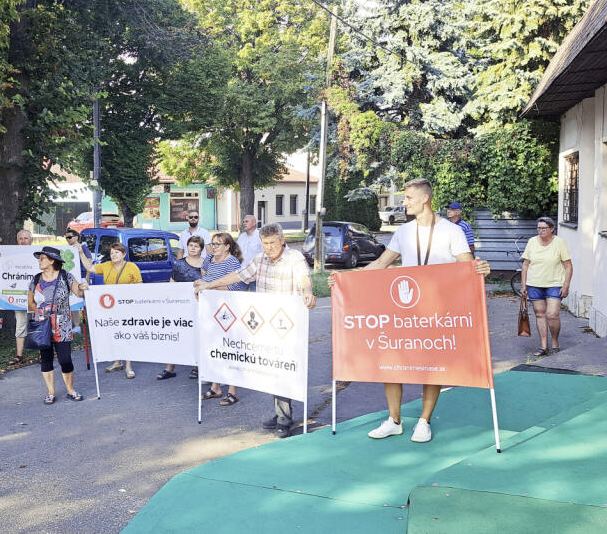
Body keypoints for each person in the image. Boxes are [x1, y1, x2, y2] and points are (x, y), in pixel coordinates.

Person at [327, 178, 491, 443]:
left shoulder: (451, 231)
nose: (404, 202)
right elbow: (381, 262)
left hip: (438, 309)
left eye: (408, 198)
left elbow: (467, 267)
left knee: (432, 366)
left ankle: (424, 421)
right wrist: (348, 279)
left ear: (425, 198)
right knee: (392, 361)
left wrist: (481, 269)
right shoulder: (404, 232)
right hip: (404, 309)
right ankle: (394, 420)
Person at [195, 223, 315, 438]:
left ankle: (284, 420)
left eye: (272, 243)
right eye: (265, 243)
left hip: (288, 326)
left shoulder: (294, 258)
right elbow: (238, 276)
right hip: (265, 325)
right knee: (272, 370)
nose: (269, 247)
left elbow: (305, 277)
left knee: (283, 370)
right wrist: (208, 286)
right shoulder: (260, 259)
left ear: (282, 241)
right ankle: (280, 414)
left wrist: (307, 291)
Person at [27, 247, 89, 404]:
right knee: (46, 359)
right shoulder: (35, 279)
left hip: (62, 325)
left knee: (65, 359)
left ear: (52, 260)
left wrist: (83, 287)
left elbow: (79, 293)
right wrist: (41, 316)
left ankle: (70, 390)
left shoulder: (65, 276)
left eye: (42, 258)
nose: (39, 261)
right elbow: (30, 303)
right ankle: (51, 392)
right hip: (43, 325)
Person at [78, 241, 143, 378]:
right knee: (114, 333)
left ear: (124, 254)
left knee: (126, 335)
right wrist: (81, 253)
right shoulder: (106, 266)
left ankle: (129, 366)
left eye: (117, 252)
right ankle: (117, 362)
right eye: (112, 253)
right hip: (111, 306)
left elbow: (140, 286)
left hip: (127, 306)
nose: (113, 255)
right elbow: (89, 267)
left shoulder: (132, 267)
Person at [198, 232, 248, 405]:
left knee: (229, 349)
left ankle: (233, 390)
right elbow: (204, 275)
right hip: (210, 310)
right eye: (213, 243)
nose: (214, 247)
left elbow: (237, 286)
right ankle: (216, 386)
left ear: (227, 246)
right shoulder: (210, 258)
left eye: (218, 244)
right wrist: (201, 284)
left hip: (228, 312)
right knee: (214, 348)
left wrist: (211, 288)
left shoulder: (232, 262)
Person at [520, 216, 572, 356]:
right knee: (540, 314)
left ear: (552, 229)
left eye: (544, 228)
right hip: (534, 283)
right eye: (539, 228)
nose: (541, 231)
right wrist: (523, 284)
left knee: (552, 314)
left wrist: (566, 285)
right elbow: (525, 264)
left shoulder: (560, 243)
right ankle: (543, 345)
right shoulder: (532, 242)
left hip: (555, 283)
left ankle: (554, 341)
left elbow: (568, 265)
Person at [157, 236, 205, 381]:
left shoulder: (206, 264)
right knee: (176, 336)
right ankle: (169, 368)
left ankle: (196, 367)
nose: (193, 248)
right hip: (180, 306)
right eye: (190, 245)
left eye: (196, 246)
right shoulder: (179, 263)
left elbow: (208, 282)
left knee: (197, 336)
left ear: (201, 249)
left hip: (198, 305)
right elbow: (172, 282)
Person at [2, 229, 34, 367]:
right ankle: (19, 355)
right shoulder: (11, 256)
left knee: (40, 323)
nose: (23, 241)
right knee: (21, 324)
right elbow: (2, 274)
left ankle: (43, 351)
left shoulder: (38, 255)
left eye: (26, 238)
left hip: (36, 297)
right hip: (19, 298)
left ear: (31, 241)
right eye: (20, 238)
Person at [64, 228, 91, 333]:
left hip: (82, 277)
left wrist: (87, 277)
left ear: (76, 237)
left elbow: (89, 262)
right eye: (66, 238)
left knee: (86, 303)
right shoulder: (68, 249)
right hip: (72, 279)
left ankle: (91, 323)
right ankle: (77, 326)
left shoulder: (83, 247)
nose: (68, 239)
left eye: (70, 237)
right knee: (74, 301)